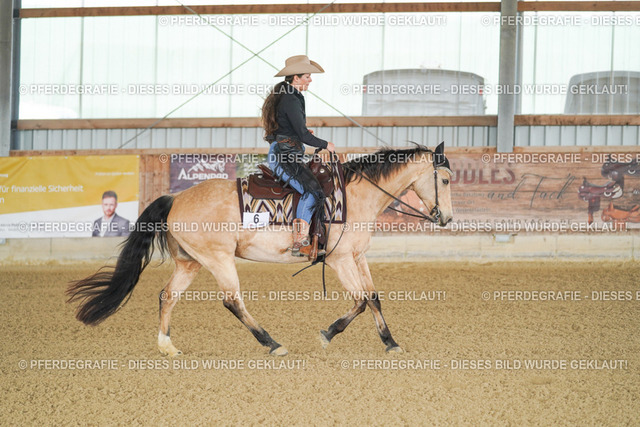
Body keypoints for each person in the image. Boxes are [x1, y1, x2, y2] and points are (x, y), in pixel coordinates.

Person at [261, 55, 335, 257]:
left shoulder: (287, 95)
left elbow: (292, 130)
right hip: (284, 156)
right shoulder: (291, 98)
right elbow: (303, 135)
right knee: (312, 192)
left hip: (286, 153)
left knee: (311, 189)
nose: (310, 80)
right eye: (307, 76)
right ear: (296, 77)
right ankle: (299, 242)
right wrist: (325, 144)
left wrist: (299, 134)